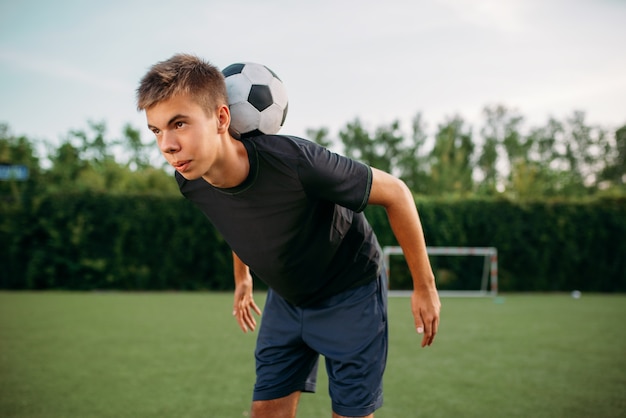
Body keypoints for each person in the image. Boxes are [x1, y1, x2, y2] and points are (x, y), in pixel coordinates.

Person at [136, 53, 440, 418]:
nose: (166, 145)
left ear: (221, 118)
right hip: (287, 299)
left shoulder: (297, 163)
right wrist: (242, 278)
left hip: (350, 293)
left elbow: (397, 193)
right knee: (266, 412)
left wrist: (424, 286)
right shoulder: (191, 182)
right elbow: (239, 221)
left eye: (179, 124)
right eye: (156, 130)